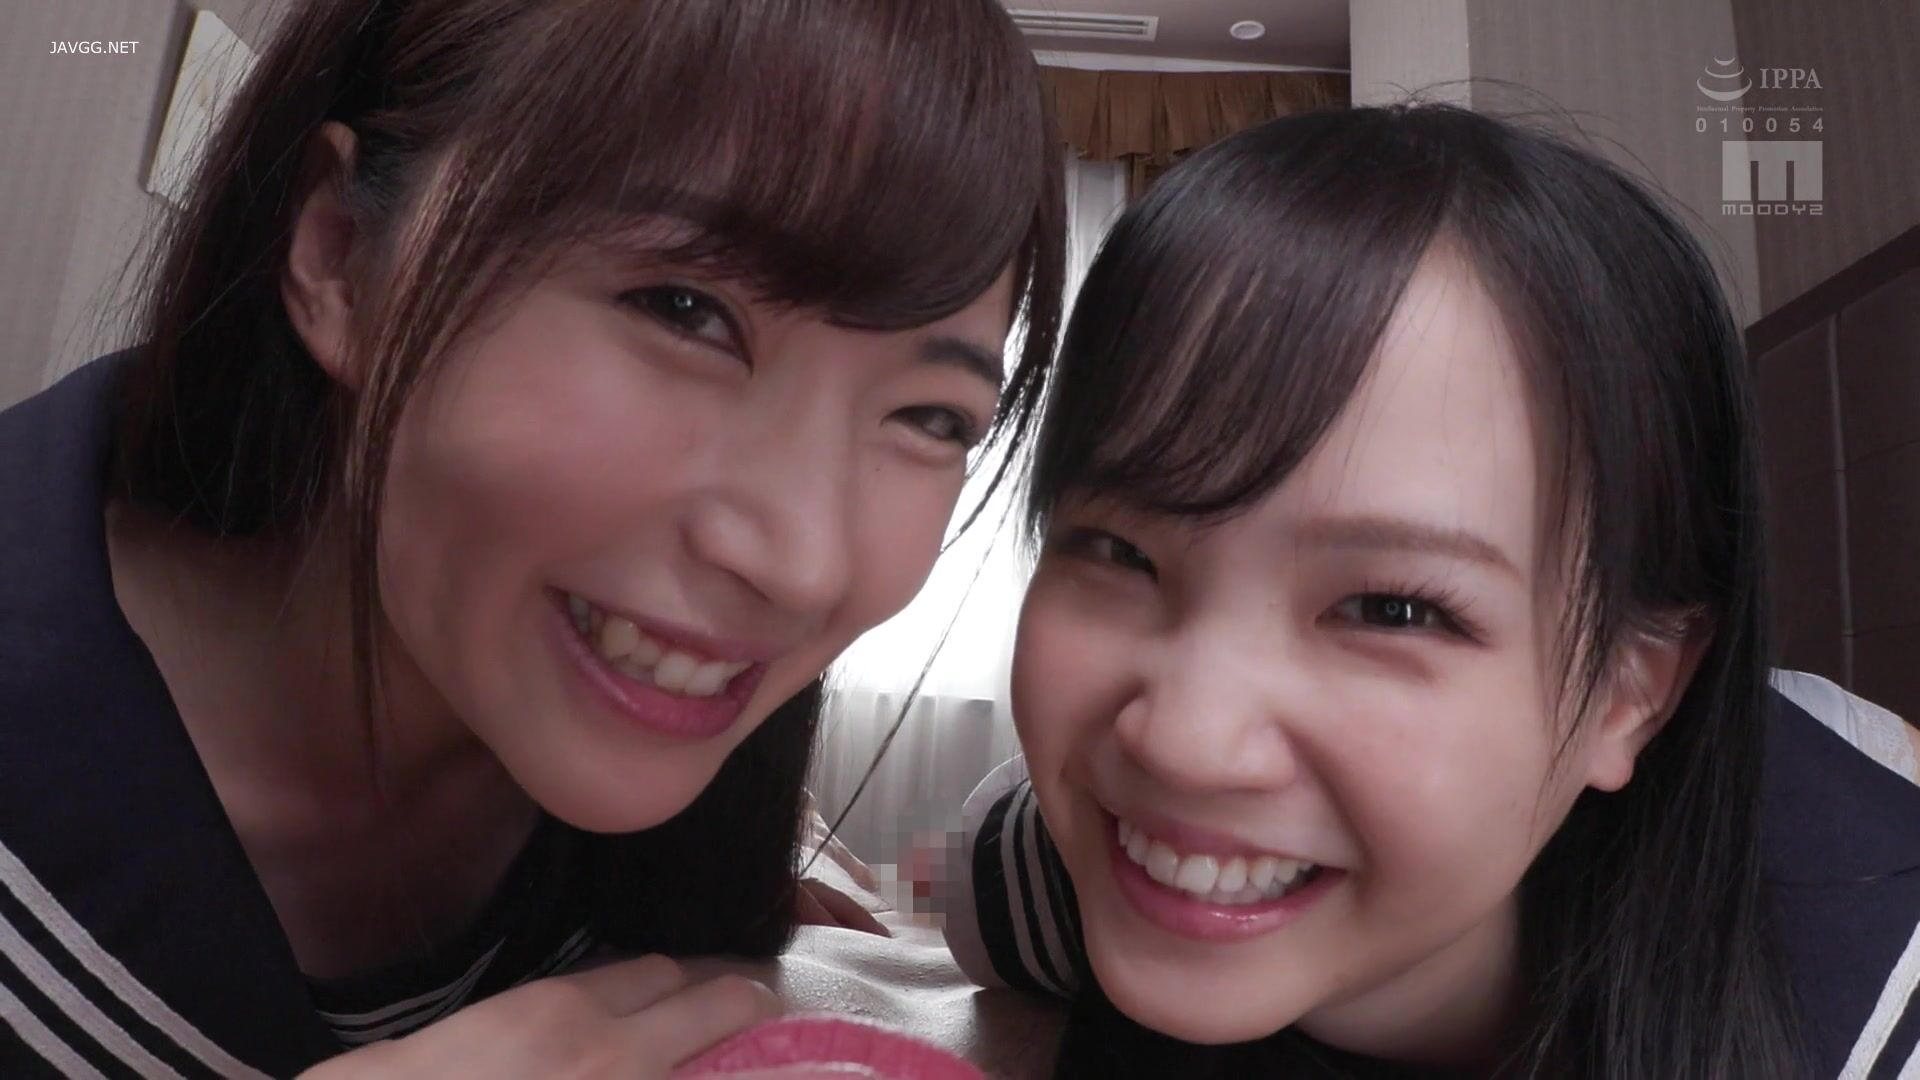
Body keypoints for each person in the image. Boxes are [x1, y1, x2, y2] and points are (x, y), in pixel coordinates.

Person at [0, 0, 1064, 1075]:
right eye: (683, 309)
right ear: (343, 254)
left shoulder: (658, 818)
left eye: (931, 418)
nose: (803, 563)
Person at [942, 104, 1920, 1078]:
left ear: (1632, 691)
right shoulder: (1052, 875)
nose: (1183, 744)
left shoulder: (1870, 989)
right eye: (1118, 551)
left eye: (1392, 610)